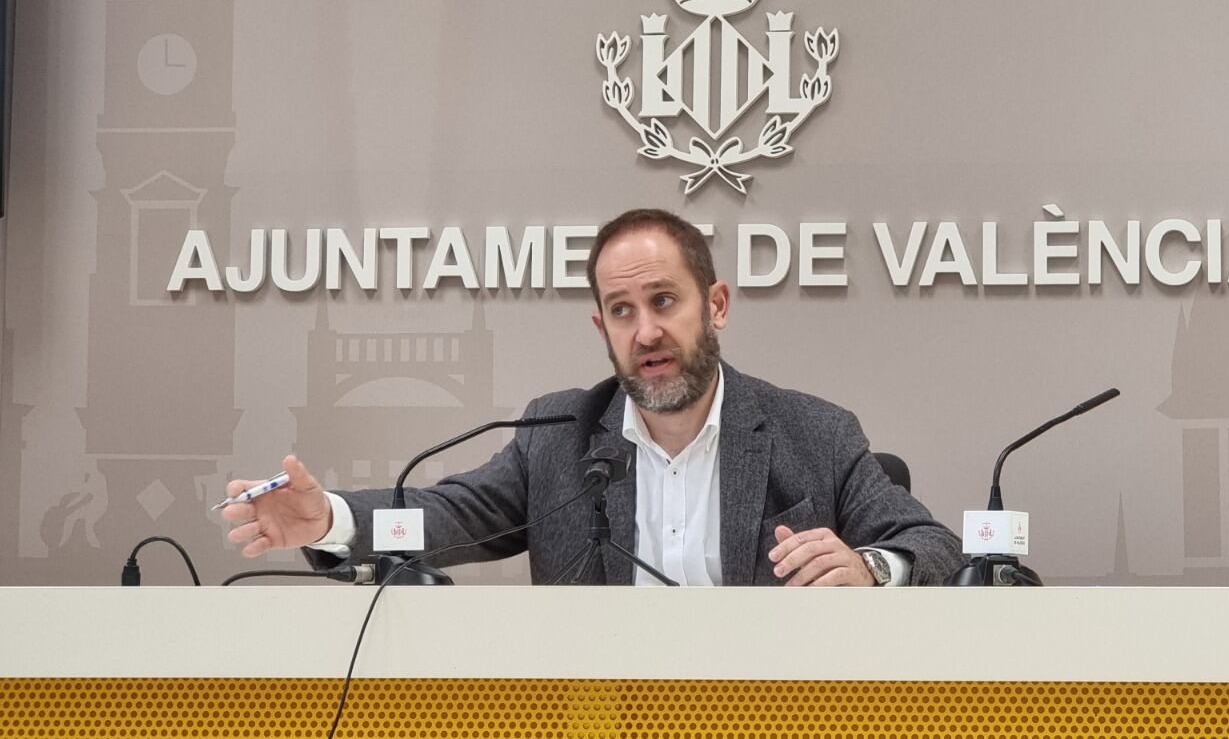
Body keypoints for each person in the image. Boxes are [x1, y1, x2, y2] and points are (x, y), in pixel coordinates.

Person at [222, 208, 963, 585]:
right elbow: (444, 515)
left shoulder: (814, 434)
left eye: (665, 301)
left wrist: (869, 568)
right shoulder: (560, 436)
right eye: (622, 311)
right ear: (601, 327)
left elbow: (933, 547)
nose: (646, 331)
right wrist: (329, 520)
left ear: (718, 305)